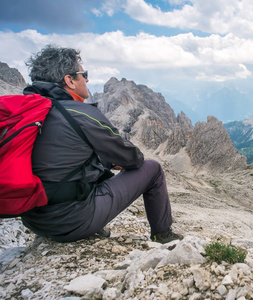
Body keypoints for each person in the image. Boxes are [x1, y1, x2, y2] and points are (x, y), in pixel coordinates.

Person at [20, 44, 182, 243]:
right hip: (71, 222)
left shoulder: (28, 113)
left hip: (32, 218)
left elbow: (59, 162)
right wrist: (117, 161)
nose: (87, 79)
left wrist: (106, 163)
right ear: (69, 80)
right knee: (153, 168)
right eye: (83, 73)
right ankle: (164, 235)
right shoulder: (80, 114)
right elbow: (132, 158)